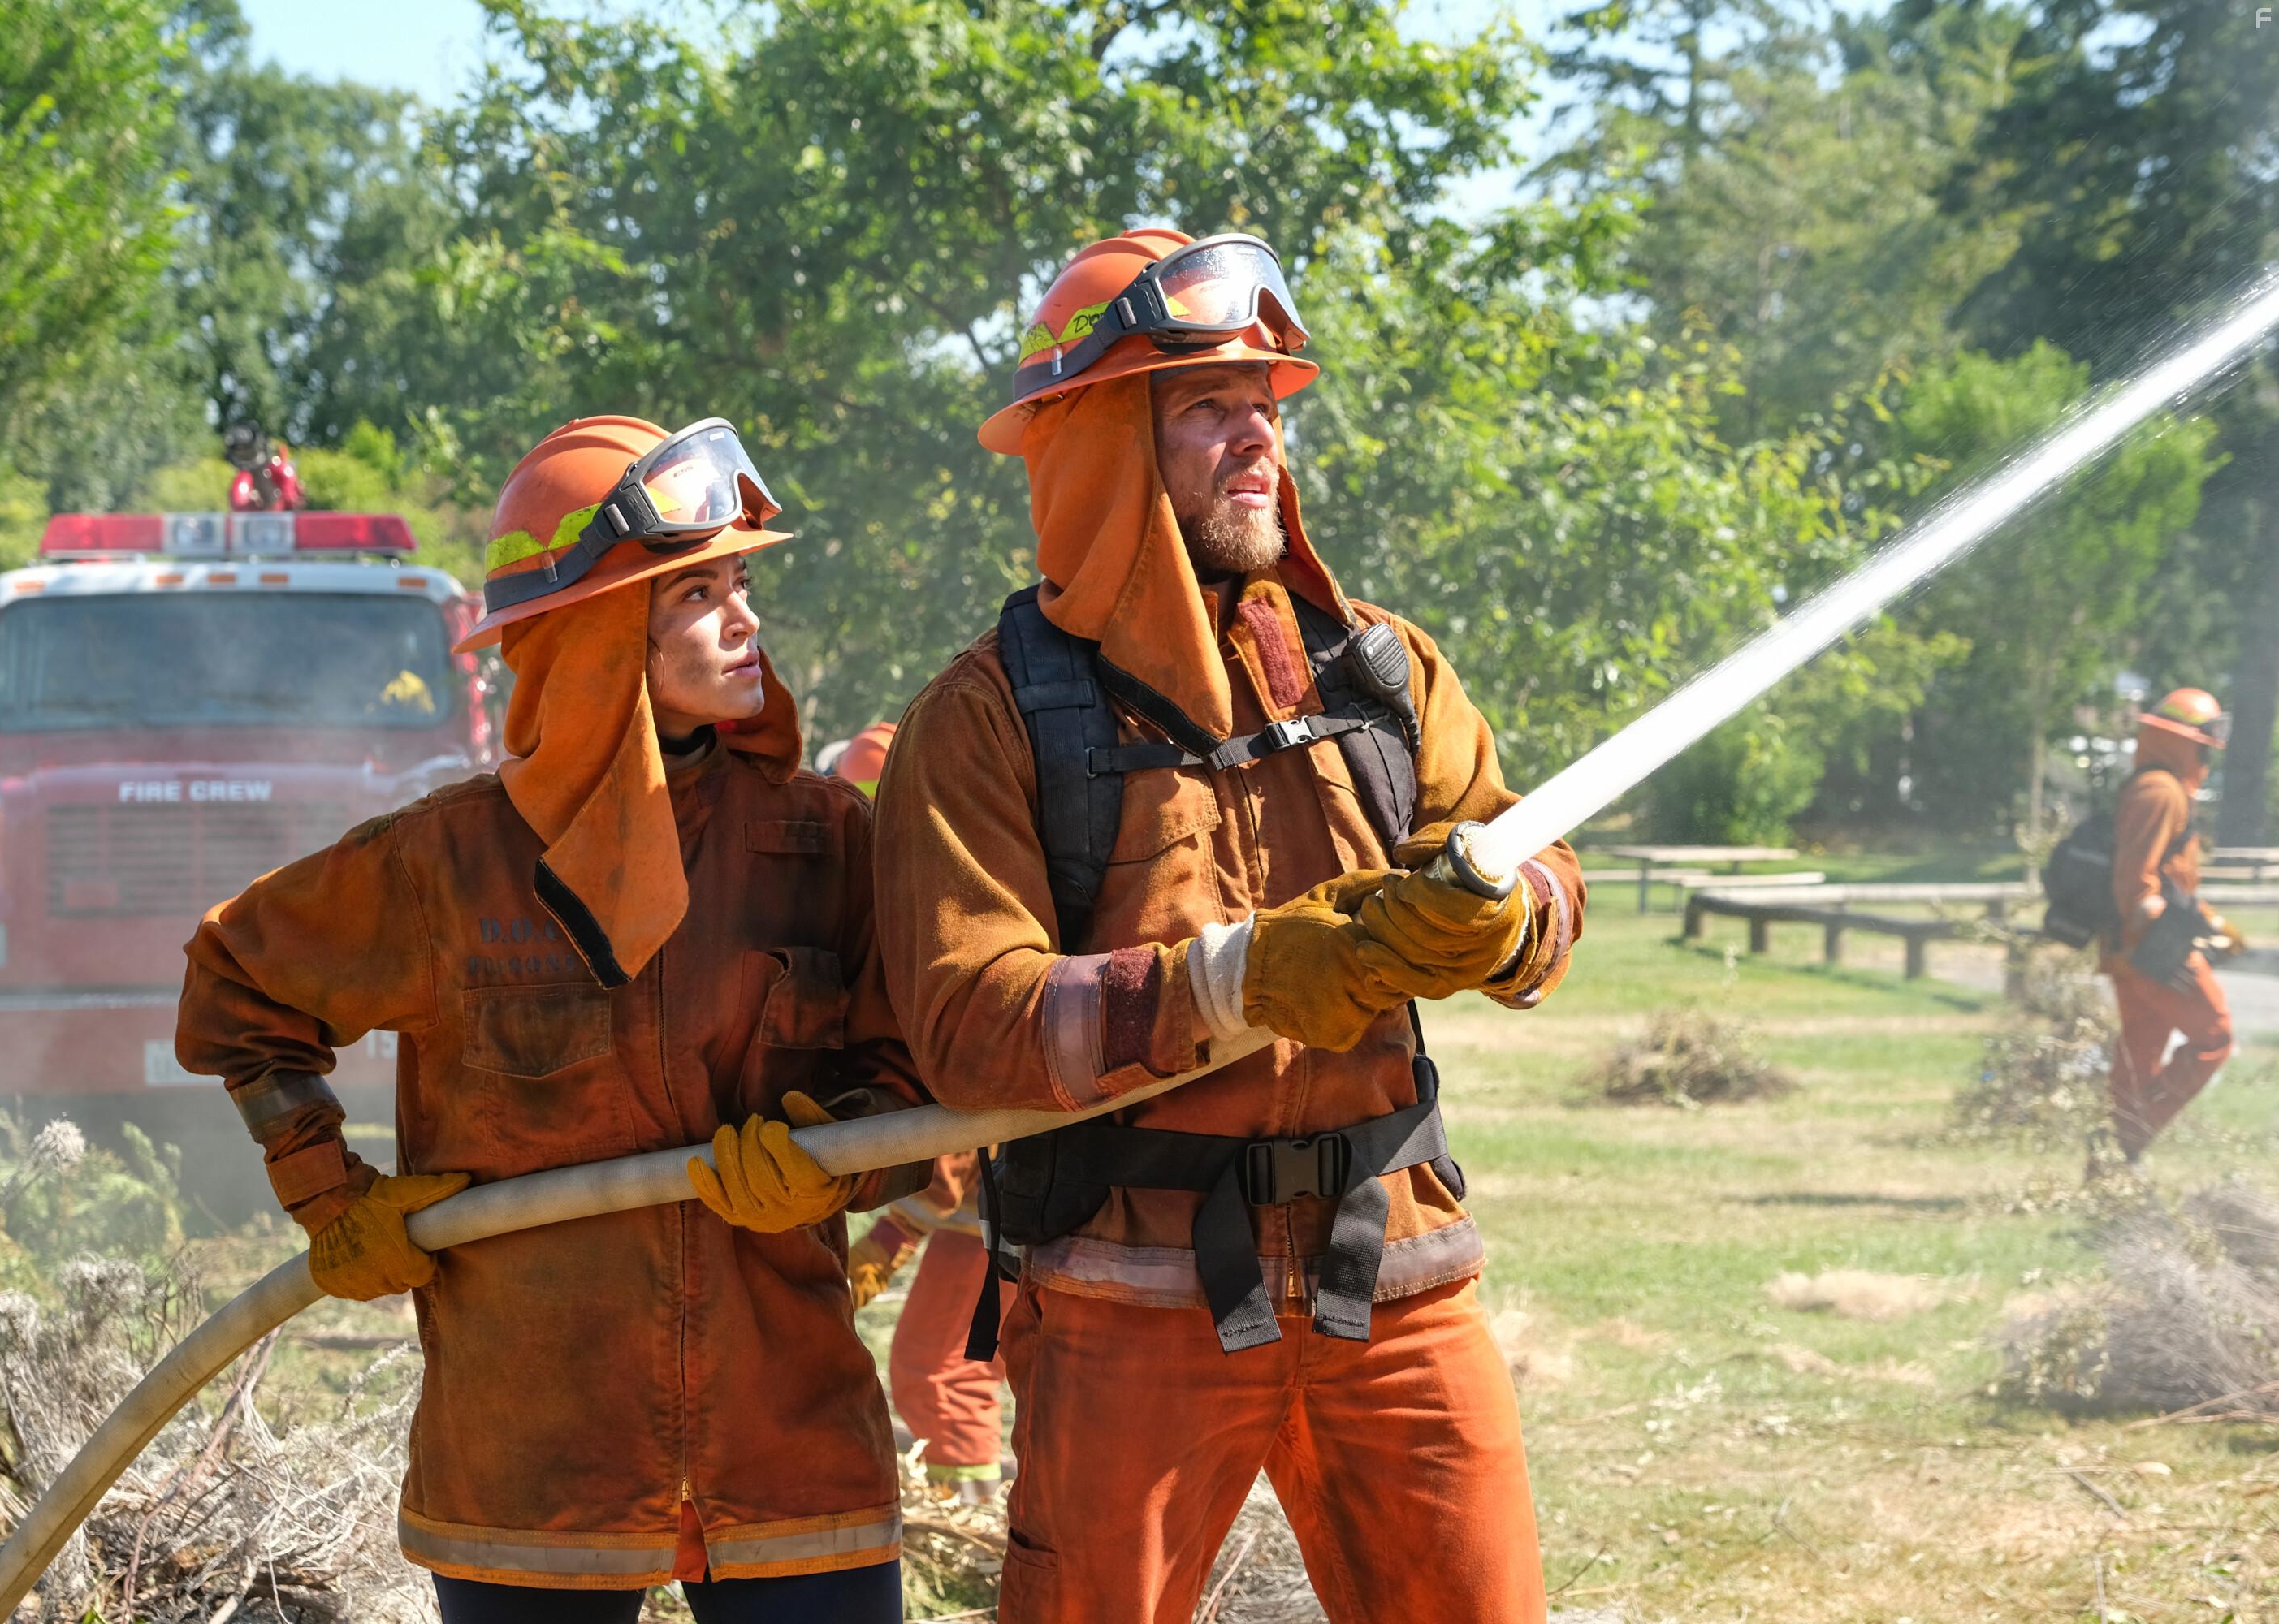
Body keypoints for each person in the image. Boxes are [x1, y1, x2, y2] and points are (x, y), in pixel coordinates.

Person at [871, 227, 1585, 1623]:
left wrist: (1496, 923)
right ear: (1093, 444)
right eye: (1206, 405)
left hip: (1394, 1273)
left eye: (1265, 403)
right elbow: (969, 1028)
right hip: (1128, 1297)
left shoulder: (1379, 667)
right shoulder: (988, 721)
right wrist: (1244, 977)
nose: (1258, 436)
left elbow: (1539, 873)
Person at [177, 415, 921, 1623]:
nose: (747, 621)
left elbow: (916, 1077)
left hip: (789, 1450)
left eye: (740, 584)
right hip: (533, 1472)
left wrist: (837, 1169)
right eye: (698, 594)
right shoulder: (448, 867)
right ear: (596, 624)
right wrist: (330, 1194)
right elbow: (234, 979)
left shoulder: (820, 838)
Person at [829, 726, 1018, 1503]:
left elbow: (954, 1126)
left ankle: (968, 1515)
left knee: (942, 1369)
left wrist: (890, 1234)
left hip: (1004, 1205)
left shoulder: (927, 927)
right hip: (997, 1208)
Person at [2103, 686, 2243, 1162]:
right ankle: (2133, 1134)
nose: (2206, 757)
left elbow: (2168, 880)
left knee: (2139, 1054)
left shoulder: (2156, 788)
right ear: (2185, 741)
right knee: (2215, 1037)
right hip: (2153, 951)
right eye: (2203, 747)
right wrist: (2173, 943)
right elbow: (2137, 887)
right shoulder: (2160, 791)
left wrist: (2209, 923)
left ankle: (2112, 1165)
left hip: (2137, 948)